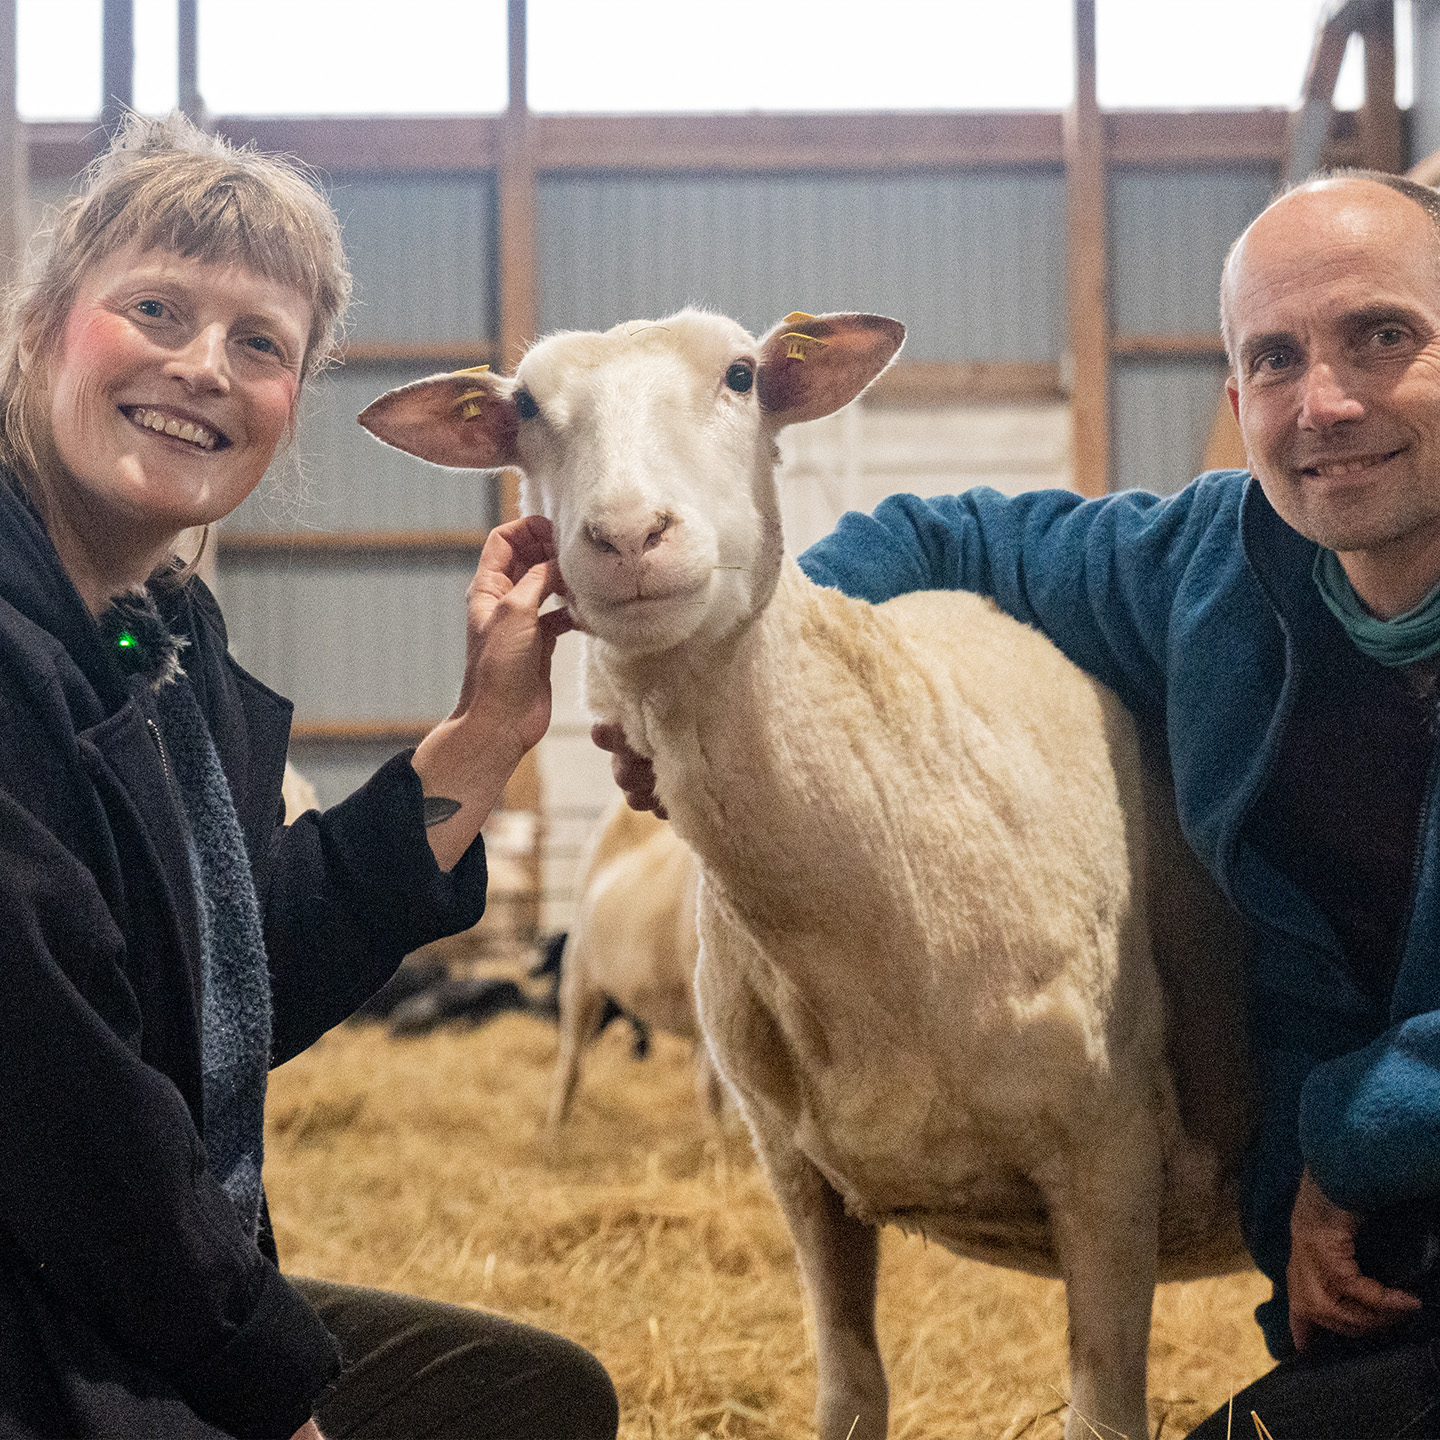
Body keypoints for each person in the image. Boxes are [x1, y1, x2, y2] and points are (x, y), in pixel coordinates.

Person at [597, 168, 1440, 1438]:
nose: (1324, 402)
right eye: (1275, 358)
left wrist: (1354, 1138)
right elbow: (950, 536)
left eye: (1384, 336)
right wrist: (754, 699)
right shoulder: (1222, 570)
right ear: (1236, 400)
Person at [0, 113, 618, 1440]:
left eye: (260, 343)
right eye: (155, 308)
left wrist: (486, 736)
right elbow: (73, 1126)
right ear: (47, 323)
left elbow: (233, 979)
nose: (202, 367)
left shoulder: (147, 636)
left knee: (537, 1399)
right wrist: (269, 1388)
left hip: (98, 1291)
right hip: (34, 1316)